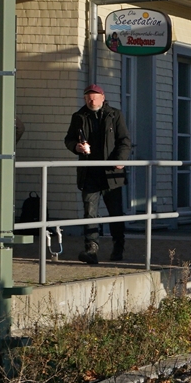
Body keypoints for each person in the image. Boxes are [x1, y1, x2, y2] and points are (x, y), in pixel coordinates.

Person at [63, 83, 132, 264]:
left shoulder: (114, 115)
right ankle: (91, 249)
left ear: (102, 97)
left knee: (115, 212)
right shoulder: (78, 116)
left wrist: (120, 159)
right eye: (87, 97)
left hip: (111, 173)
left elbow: (124, 140)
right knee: (89, 212)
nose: (91, 100)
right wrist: (76, 147)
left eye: (94, 97)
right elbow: (69, 139)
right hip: (89, 171)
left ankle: (118, 247)